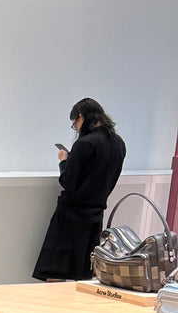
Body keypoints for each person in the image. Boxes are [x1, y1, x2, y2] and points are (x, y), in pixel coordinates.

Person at [32, 97, 126, 282]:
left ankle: (55, 302)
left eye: (74, 123)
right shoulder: (118, 143)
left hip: (71, 215)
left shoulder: (85, 144)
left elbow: (69, 181)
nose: (75, 128)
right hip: (95, 215)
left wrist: (64, 161)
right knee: (83, 272)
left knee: (55, 269)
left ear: (81, 118)